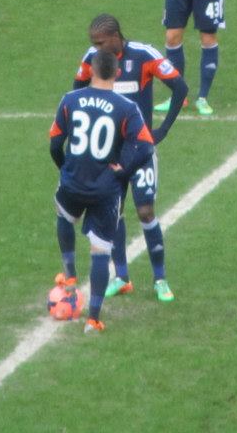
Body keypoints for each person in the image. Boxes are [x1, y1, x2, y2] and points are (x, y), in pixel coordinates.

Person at [74, 14, 188, 303]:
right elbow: (77, 91)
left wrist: (162, 130)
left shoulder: (143, 55)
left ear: (115, 37)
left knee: (146, 211)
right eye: (94, 44)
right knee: (114, 213)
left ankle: (160, 279)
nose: (97, 48)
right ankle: (122, 277)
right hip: (108, 153)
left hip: (139, 151)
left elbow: (180, 87)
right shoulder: (92, 59)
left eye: (101, 43)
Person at [50, 49, 155, 333]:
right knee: (100, 250)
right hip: (106, 189)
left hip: (73, 182)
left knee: (63, 215)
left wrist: (65, 168)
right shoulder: (126, 107)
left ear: (91, 71)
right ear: (117, 74)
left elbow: (55, 144)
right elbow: (146, 147)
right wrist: (123, 170)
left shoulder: (70, 99)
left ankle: (70, 276)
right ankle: (93, 319)